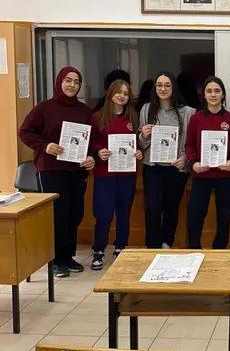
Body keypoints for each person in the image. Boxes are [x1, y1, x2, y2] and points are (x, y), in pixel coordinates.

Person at [19, 67, 95, 278]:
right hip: (51, 169)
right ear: (59, 82)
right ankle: (55, 260)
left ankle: (68, 256)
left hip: (76, 170)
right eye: (68, 80)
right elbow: (24, 132)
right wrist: (45, 146)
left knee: (75, 213)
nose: (72, 85)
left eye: (76, 82)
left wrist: (91, 156)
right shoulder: (44, 108)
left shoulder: (84, 110)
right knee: (57, 215)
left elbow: (90, 139)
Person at [90, 80, 143, 270]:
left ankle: (121, 247)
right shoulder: (97, 117)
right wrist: (98, 151)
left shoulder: (133, 117)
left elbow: (139, 143)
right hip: (105, 173)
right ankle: (98, 250)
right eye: (118, 92)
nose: (122, 96)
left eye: (126, 93)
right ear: (111, 94)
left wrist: (139, 152)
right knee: (103, 213)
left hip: (127, 173)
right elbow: (90, 142)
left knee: (124, 212)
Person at [138, 71, 195, 249]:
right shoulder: (147, 109)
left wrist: (185, 159)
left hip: (176, 168)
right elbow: (142, 143)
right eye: (159, 85)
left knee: (172, 208)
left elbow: (192, 142)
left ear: (174, 88)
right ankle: (152, 247)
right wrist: (144, 135)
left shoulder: (188, 112)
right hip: (153, 167)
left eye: (167, 85)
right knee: (152, 209)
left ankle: (167, 243)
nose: (163, 89)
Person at [185, 77, 230, 249]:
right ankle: (194, 248)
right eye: (209, 91)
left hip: (225, 175)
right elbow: (189, 145)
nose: (213, 95)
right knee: (195, 213)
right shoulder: (196, 118)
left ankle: (220, 248)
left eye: (217, 91)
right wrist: (193, 163)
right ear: (204, 95)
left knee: (224, 215)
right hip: (201, 174)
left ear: (223, 94)